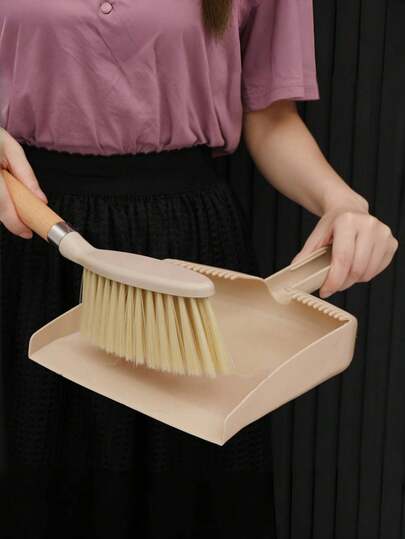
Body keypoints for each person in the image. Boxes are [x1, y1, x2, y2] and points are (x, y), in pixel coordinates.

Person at [0, 1, 398, 538]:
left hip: (192, 259)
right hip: (29, 236)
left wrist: (343, 204)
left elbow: (271, 117)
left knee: (192, 501)